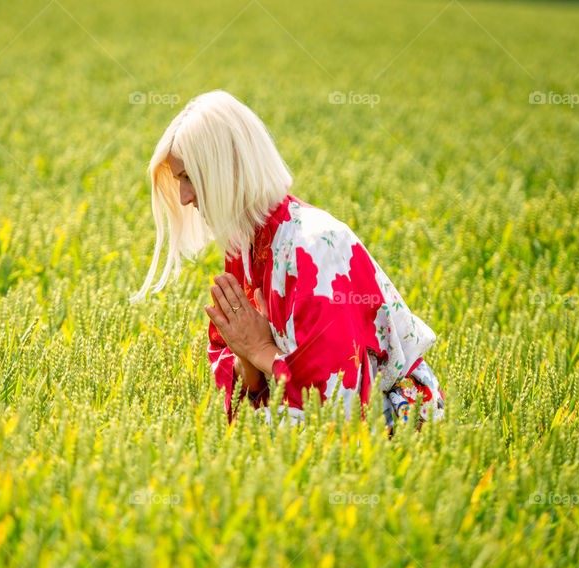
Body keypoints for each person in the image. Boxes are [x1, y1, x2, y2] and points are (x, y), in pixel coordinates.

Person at [133, 90, 443, 432]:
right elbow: (235, 370)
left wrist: (261, 350)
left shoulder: (313, 248)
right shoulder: (245, 246)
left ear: (230, 167)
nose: (184, 197)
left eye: (190, 176)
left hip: (395, 422)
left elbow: (336, 406)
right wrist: (247, 360)